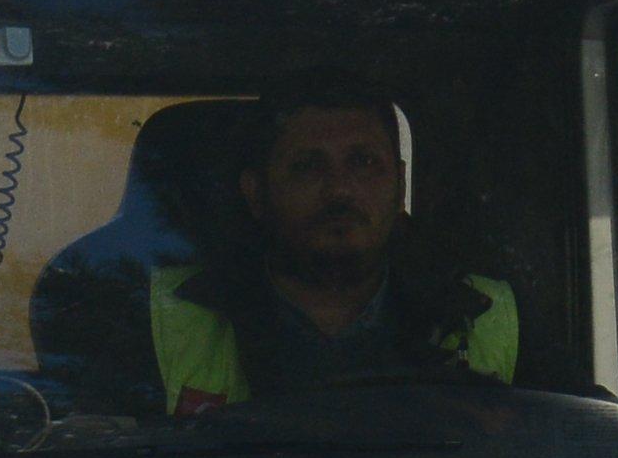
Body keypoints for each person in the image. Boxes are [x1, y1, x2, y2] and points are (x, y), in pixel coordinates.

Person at [142, 85, 516, 412]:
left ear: (401, 184)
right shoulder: (154, 316)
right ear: (256, 193)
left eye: (364, 162)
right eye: (307, 166)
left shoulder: (485, 315)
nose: (340, 189)